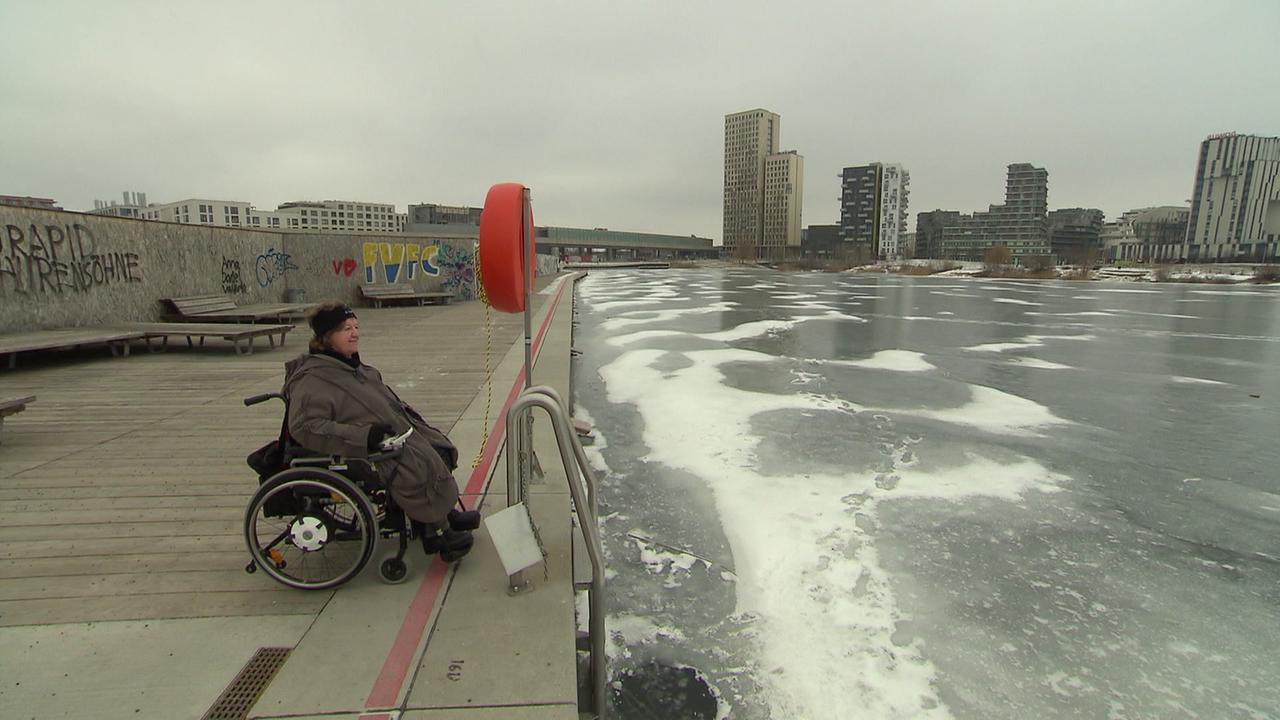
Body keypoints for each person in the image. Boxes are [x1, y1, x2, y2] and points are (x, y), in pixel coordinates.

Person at [282, 301, 477, 561]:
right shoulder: (314, 378)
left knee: (435, 445)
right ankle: (436, 533)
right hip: (358, 448)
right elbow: (305, 427)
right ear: (326, 338)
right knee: (413, 464)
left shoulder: (349, 366)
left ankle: (441, 515)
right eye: (345, 329)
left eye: (356, 326)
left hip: (389, 433)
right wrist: (365, 436)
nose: (355, 333)